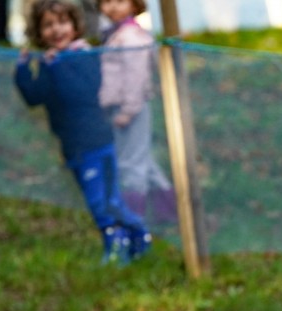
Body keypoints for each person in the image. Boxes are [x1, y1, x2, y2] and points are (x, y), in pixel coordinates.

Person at [14, 0, 151, 264]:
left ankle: (117, 246)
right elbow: (35, 96)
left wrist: (56, 68)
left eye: (63, 22)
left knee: (102, 202)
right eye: (48, 25)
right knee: (105, 200)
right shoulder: (49, 62)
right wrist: (23, 70)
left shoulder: (84, 55)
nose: (57, 30)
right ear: (38, 32)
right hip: (72, 148)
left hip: (97, 143)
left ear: (75, 26)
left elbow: (81, 92)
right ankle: (140, 236)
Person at [98, 0, 176, 224]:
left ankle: (135, 220)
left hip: (130, 109)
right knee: (145, 162)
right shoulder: (118, 34)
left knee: (130, 166)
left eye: (119, 0)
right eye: (106, 1)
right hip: (121, 107)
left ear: (134, 4)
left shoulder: (131, 36)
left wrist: (128, 110)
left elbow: (136, 77)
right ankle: (168, 213)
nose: (112, 6)